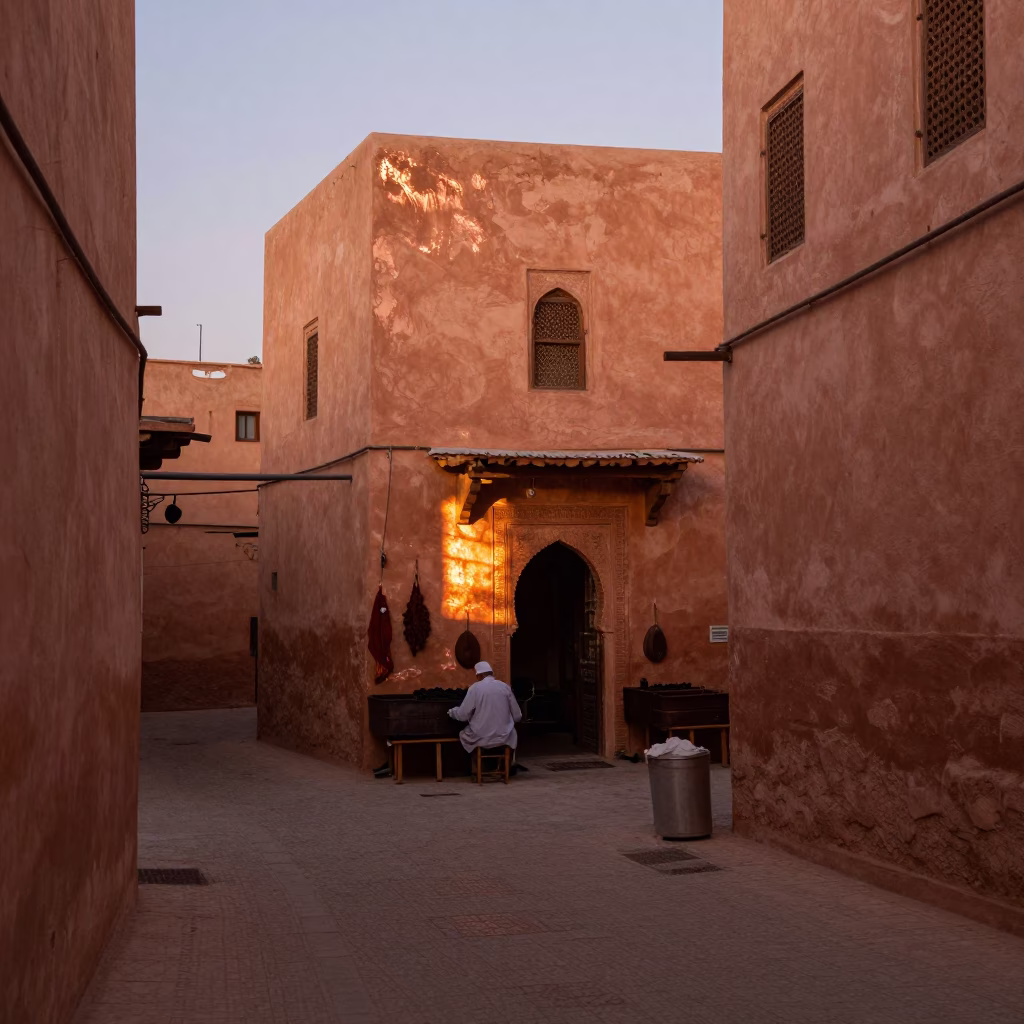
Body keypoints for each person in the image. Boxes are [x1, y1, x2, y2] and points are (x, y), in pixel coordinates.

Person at [449, 661, 522, 755]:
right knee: (512, 732)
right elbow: (518, 716)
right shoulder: (505, 687)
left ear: (479, 675)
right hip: (505, 737)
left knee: (464, 734)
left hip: (482, 737)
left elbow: (462, 715)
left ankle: (476, 766)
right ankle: (505, 764)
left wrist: (452, 712)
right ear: (491, 674)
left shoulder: (475, 688)